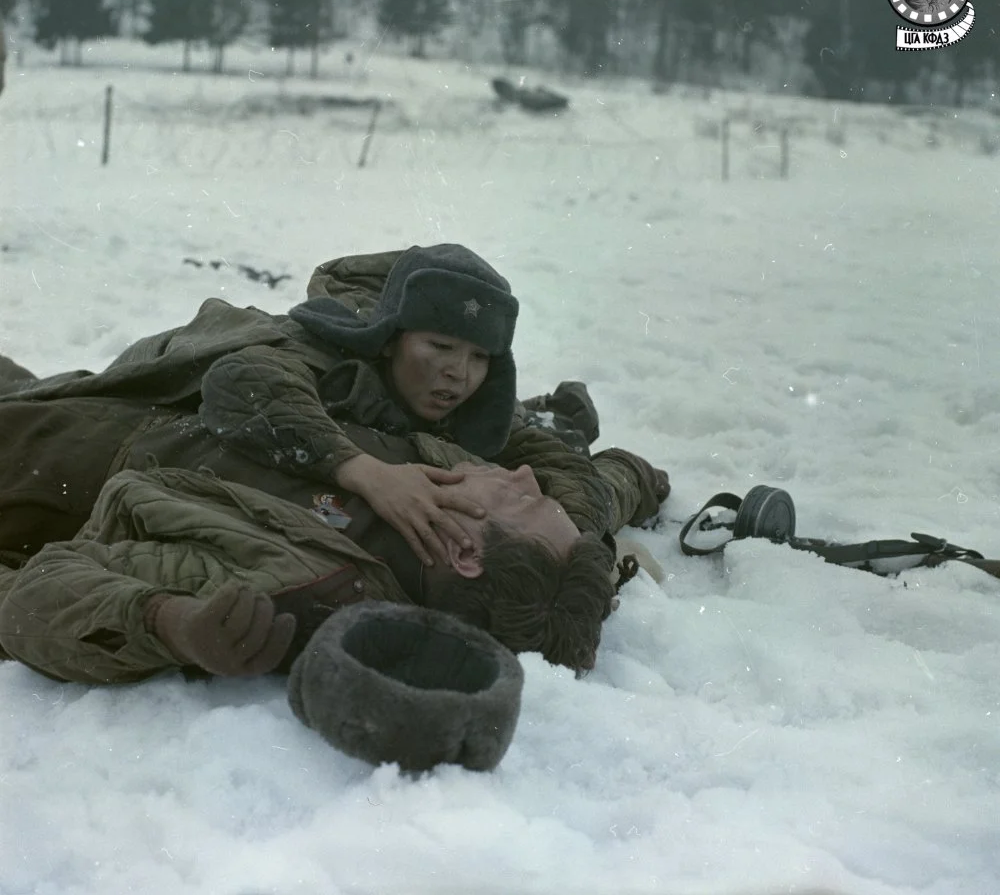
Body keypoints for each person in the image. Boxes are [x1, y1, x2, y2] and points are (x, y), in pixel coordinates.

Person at [0, 244, 618, 569]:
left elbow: (551, 461)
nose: (459, 372)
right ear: (394, 337)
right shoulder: (327, 348)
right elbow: (243, 382)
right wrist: (367, 473)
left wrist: (576, 540)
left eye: (480, 356)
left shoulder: (458, 395)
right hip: (145, 404)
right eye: (440, 346)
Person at [0, 417, 668, 684]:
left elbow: (35, 597)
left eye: (525, 501)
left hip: (87, 458)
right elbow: (589, 491)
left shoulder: (298, 588)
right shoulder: (473, 512)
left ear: (466, 553)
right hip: (199, 390)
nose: (524, 479)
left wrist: (170, 625)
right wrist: (639, 477)